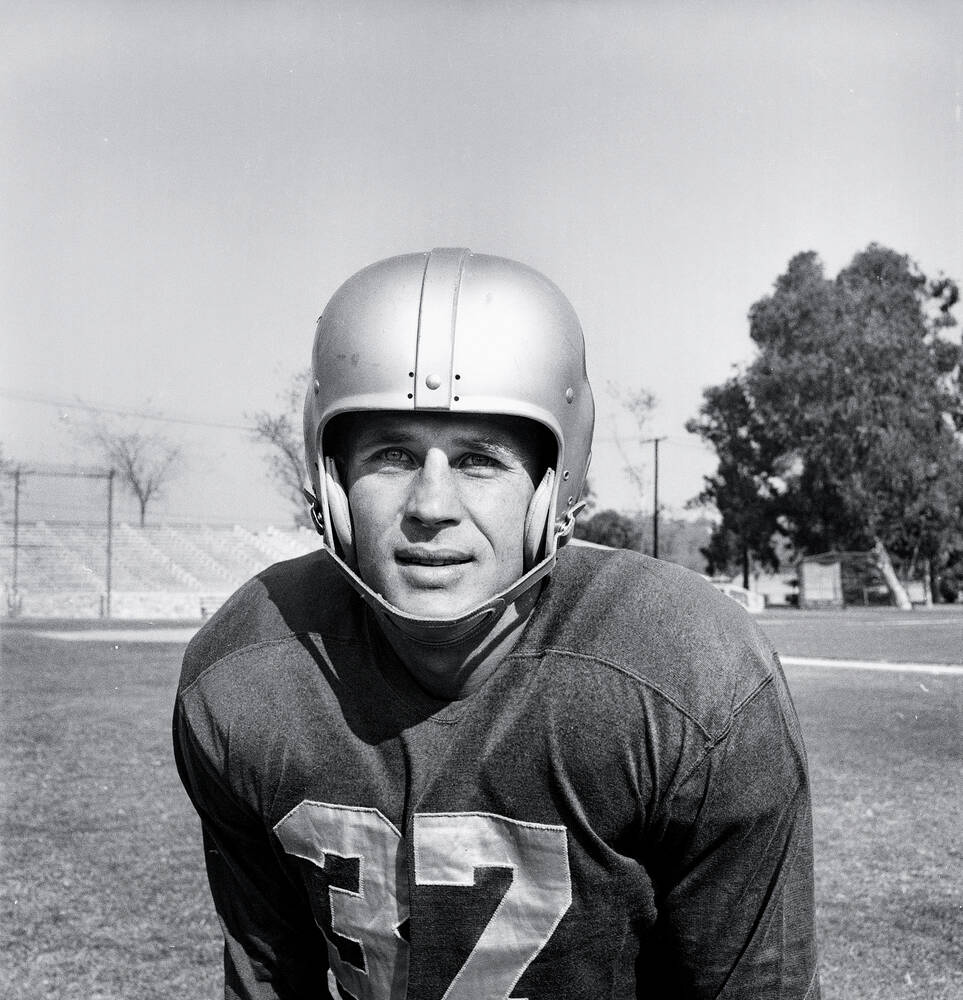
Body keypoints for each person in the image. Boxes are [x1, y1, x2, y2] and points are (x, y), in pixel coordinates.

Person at [173, 248, 820, 999]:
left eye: (479, 460)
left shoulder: (687, 677)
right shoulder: (247, 677)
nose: (431, 505)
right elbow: (269, 981)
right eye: (390, 456)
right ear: (333, 484)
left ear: (553, 489)